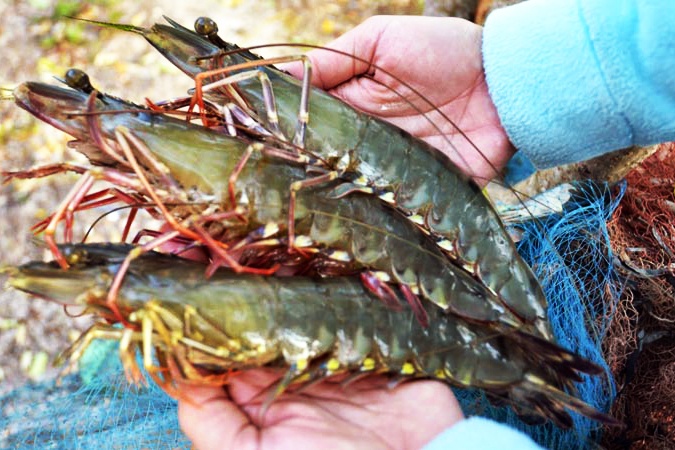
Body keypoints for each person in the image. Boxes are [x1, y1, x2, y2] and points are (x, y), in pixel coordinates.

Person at [178, 0, 675, 448]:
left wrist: (493, 76)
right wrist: (497, 72)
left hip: (453, 228)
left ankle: (540, 370)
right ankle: (540, 371)